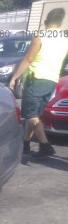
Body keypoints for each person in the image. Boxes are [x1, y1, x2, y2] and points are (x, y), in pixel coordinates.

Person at [9, 8, 68, 157]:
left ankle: (45, 145)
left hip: (37, 79)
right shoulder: (64, 39)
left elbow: (28, 59)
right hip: (52, 81)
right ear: (60, 23)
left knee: (31, 114)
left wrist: (14, 77)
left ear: (45, 22)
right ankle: (26, 144)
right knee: (34, 114)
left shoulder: (40, 37)